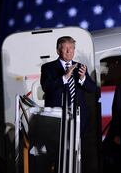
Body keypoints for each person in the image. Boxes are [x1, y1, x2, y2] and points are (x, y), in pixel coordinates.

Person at [40, 36, 98, 172]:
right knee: (59, 155)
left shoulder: (80, 67)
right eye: (66, 48)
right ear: (58, 50)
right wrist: (64, 78)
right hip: (58, 120)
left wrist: (83, 78)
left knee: (79, 155)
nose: (69, 51)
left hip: (79, 120)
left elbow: (92, 89)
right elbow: (47, 87)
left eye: (72, 48)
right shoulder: (48, 67)